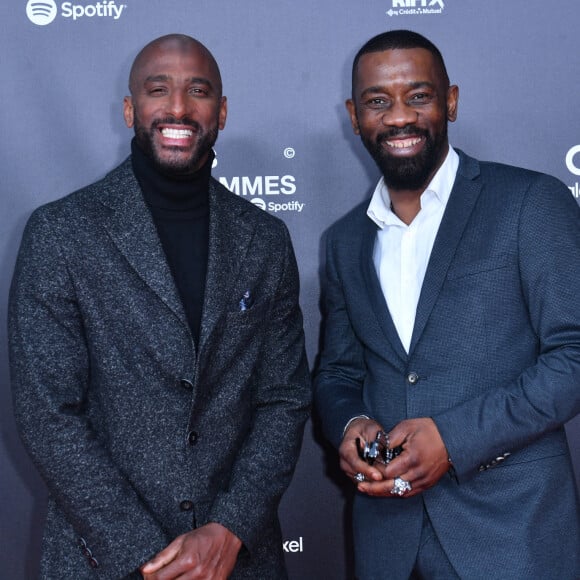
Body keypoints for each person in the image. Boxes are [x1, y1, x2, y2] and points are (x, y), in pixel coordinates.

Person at [9, 34, 311, 579]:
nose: (177, 107)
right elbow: (49, 415)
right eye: (158, 90)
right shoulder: (60, 234)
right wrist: (151, 555)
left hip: (237, 560)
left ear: (220, 112)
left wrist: (229, 528)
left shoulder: (265, 239)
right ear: (130, 109)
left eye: (198, 91)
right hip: (103, 560)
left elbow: (284, 399)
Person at [314, 29, 580, 579]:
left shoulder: (530, 203)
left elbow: (574, 356)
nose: (399, 117)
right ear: (354, 114)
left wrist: (454, 439)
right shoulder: (344, 241)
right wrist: (352, 422)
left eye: (419, 95)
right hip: (387, 541)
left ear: (451, 100)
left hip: (513, 539)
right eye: (378, 102)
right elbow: (339, 372)